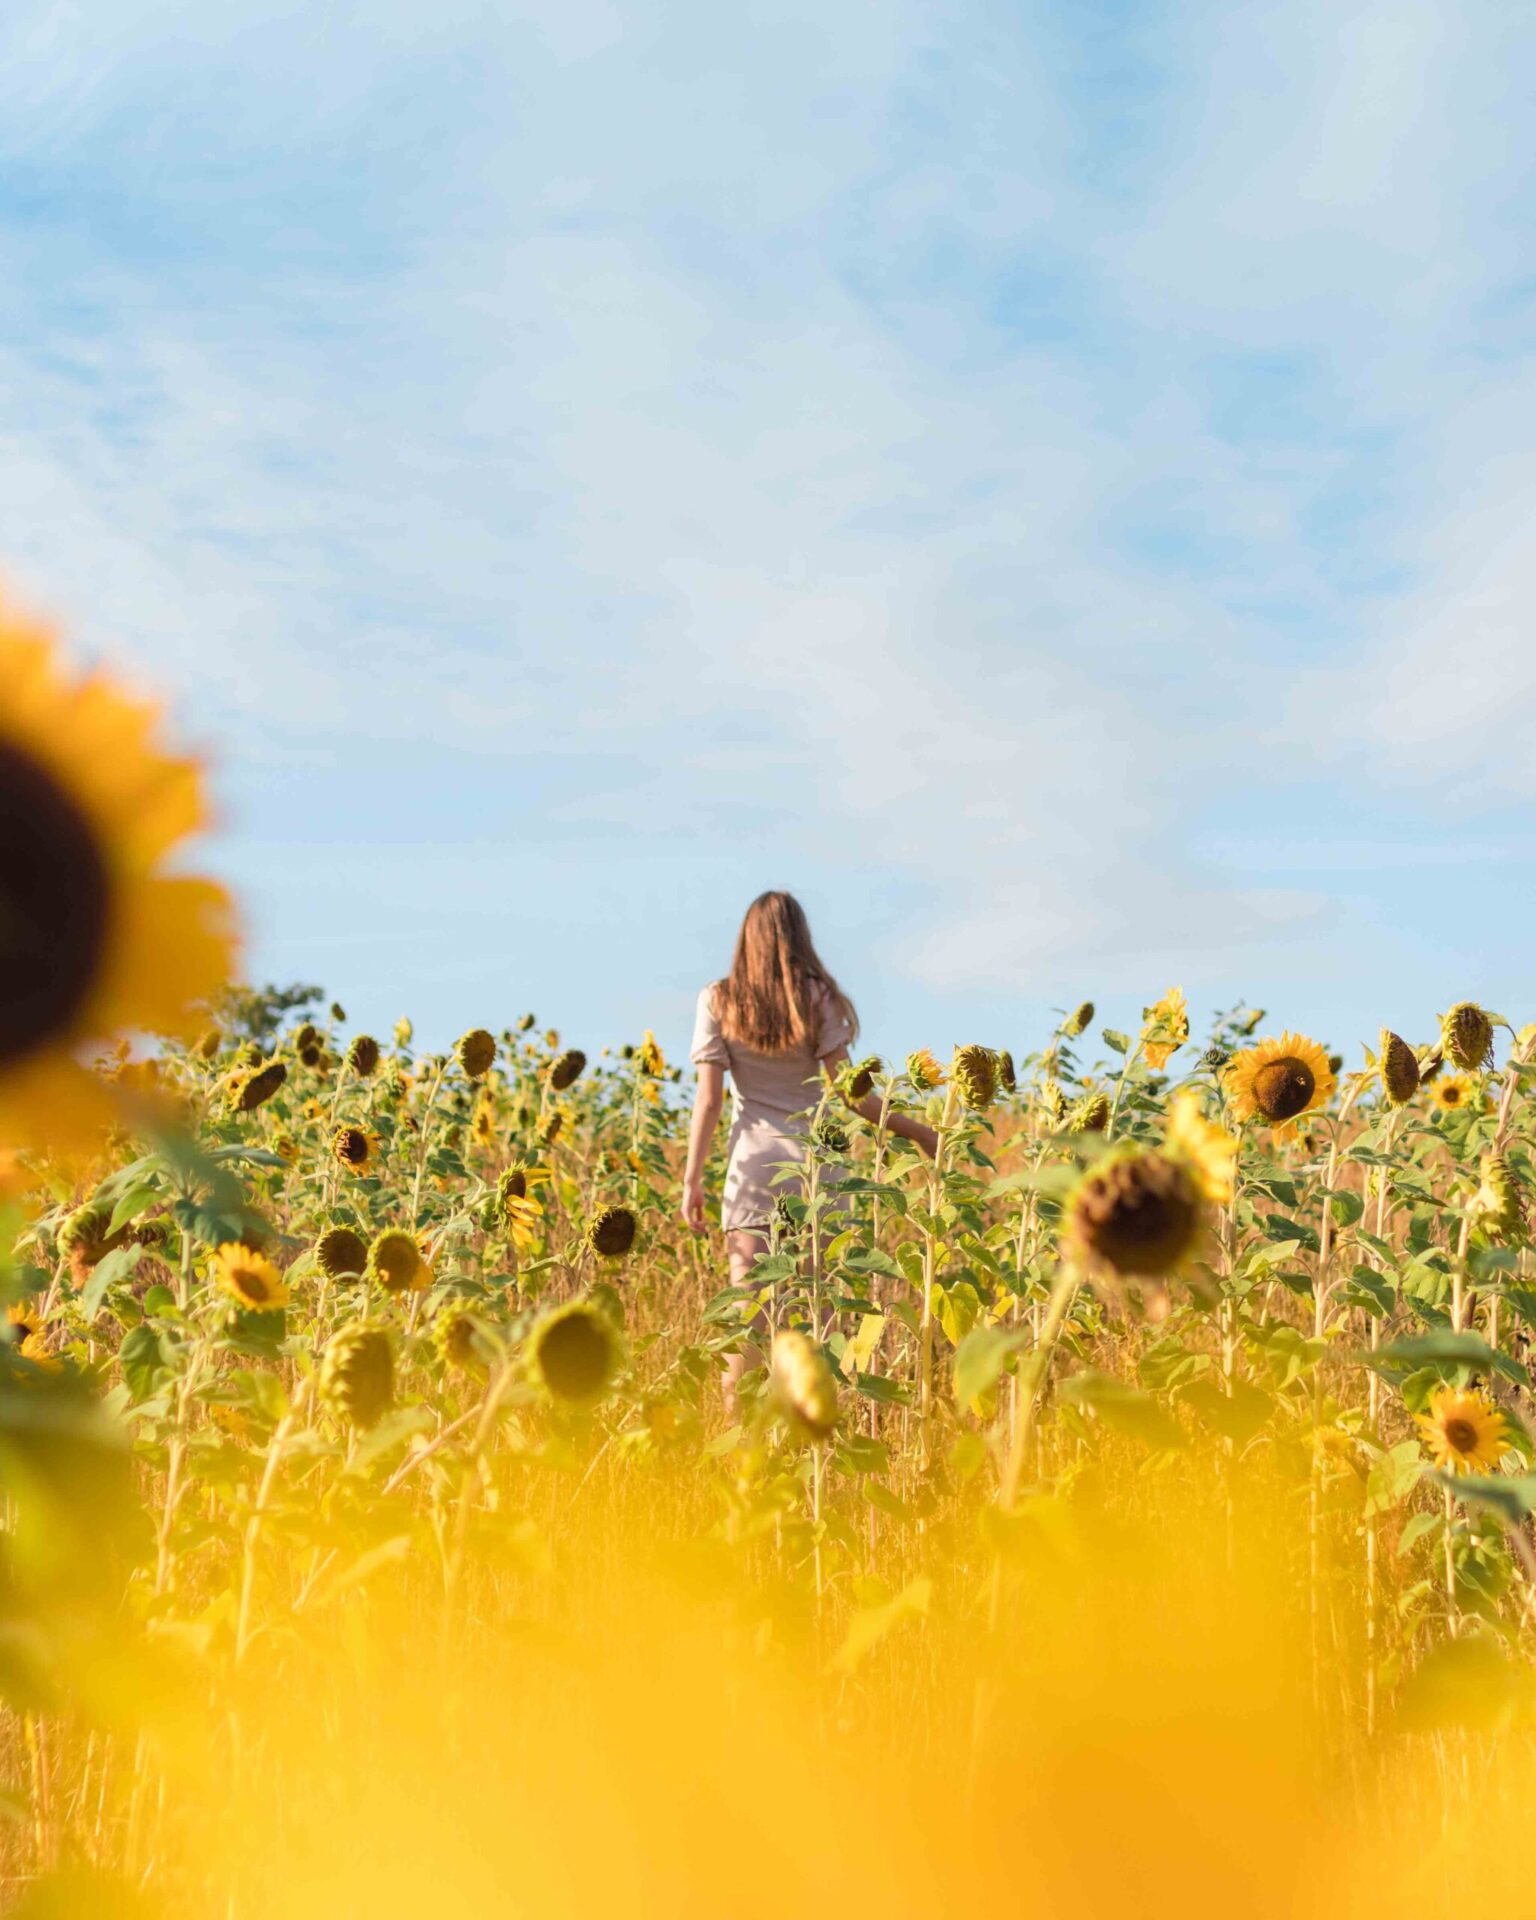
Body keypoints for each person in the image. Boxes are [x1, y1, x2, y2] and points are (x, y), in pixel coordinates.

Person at [681, 891, 937, 1405]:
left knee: (746, 1322)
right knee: (821, 1317)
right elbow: (854, 1097)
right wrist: (922, 1133)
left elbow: (708, 1101)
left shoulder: (719, 999)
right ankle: (816, 1444)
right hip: (815, 1171)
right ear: (800, 937)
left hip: (753, 1170)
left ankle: (742, 1449)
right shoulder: (817, 996)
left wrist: (691, 1180)